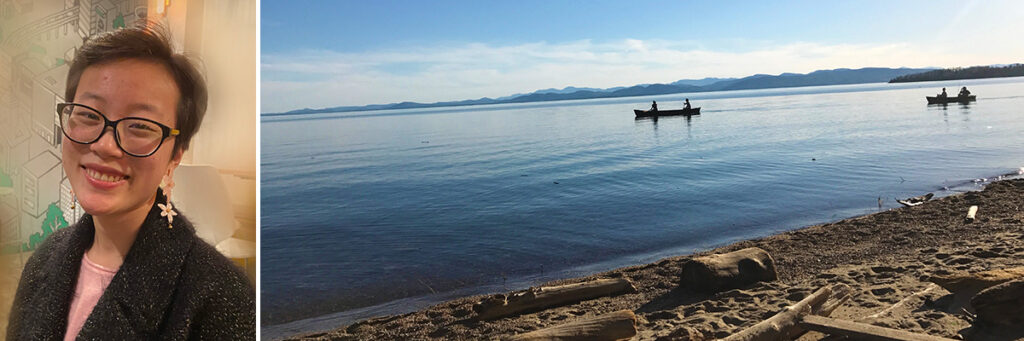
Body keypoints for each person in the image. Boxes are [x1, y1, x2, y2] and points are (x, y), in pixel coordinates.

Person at [7, 23, 255, 340]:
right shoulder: (45, 260)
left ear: (176, 153)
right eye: (88, 114)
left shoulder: (220, 295)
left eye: (139, 125)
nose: (105, 145)